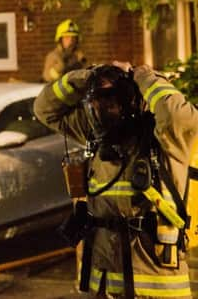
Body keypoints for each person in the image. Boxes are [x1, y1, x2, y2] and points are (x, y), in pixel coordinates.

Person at [34, 63, 196, 298]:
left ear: (128, 104)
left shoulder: (166, 138)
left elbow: (180, 116)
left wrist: (143, 76)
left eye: (108, 106)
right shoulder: (97, 135)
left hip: (157, 288)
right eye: (94, 107)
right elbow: (44, 109)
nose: (99, 115)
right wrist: (87, 76)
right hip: (105, 286)